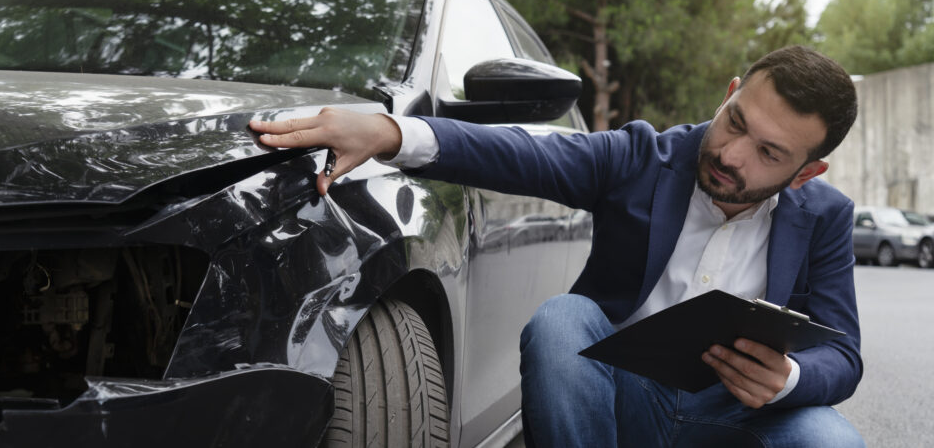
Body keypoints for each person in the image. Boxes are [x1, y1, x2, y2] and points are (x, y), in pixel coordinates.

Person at [248, 45, 864, 447]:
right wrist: (388, 131)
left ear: (808, 171)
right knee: (564, 320)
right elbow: (524, 152)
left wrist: (787, 380)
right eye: (735, 121)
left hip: (732, 418)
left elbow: (843, 353)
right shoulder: (644, 157)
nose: (731, 154)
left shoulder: (825, 218)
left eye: (769, 153)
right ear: (729, 92)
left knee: (831, 441)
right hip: (622, 403)